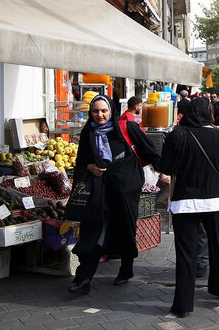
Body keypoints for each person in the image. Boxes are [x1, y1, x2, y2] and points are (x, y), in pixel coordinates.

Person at [69, 95, 161, 295]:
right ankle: (84, 278)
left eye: (104, 111)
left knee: (126, 226)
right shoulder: (88, 133)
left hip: (125, 186)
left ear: (111, 111)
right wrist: (90, 166)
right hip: (99, 189)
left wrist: (166, 172)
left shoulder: (126, 127)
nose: (100, 115)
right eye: (95, 111)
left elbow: (150, 151)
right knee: (93, 229)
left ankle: (126, 269)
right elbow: (81, 160)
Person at [159, 98, 219, 318]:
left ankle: (183, 304)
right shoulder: (216, 135)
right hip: (215, 200)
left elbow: (165, 166)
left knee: (186, 254)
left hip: (185, 201)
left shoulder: (178, 134)